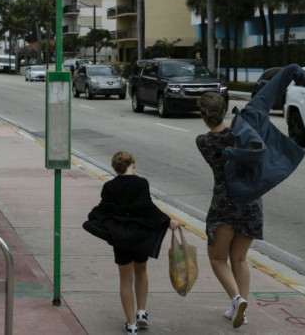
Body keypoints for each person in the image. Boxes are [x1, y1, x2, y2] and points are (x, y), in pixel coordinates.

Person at [83, 151, 178, 334]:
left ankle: (131, 324)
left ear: (115, 168)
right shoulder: (141, 183)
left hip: (120, 238)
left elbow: (103, 209)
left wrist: (93, 218)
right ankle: (141, 312)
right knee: (141, 270)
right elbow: (148, 208)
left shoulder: (109, 187)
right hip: (140, 237)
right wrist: (168, 221)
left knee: (125, 279)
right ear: (133, 164)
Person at [195, 92, 259, 329]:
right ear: (224, 112)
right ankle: (240, 308)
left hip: (224, 203)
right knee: (240, 259)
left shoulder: (203, 141)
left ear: (203, 116)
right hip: (251, 202)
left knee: (217, 258)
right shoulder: (242, 136)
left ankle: (237, 300)